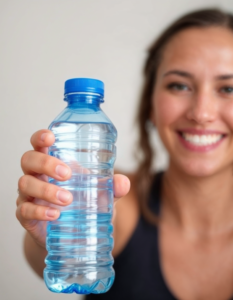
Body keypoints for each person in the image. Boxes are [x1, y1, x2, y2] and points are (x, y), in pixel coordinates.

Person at [16, 8, 233, 300]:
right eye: (179, 85)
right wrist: (53, 232)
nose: (202, 113)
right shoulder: (118, 202)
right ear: (150, 106)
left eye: (228, 88)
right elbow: (41, 254)